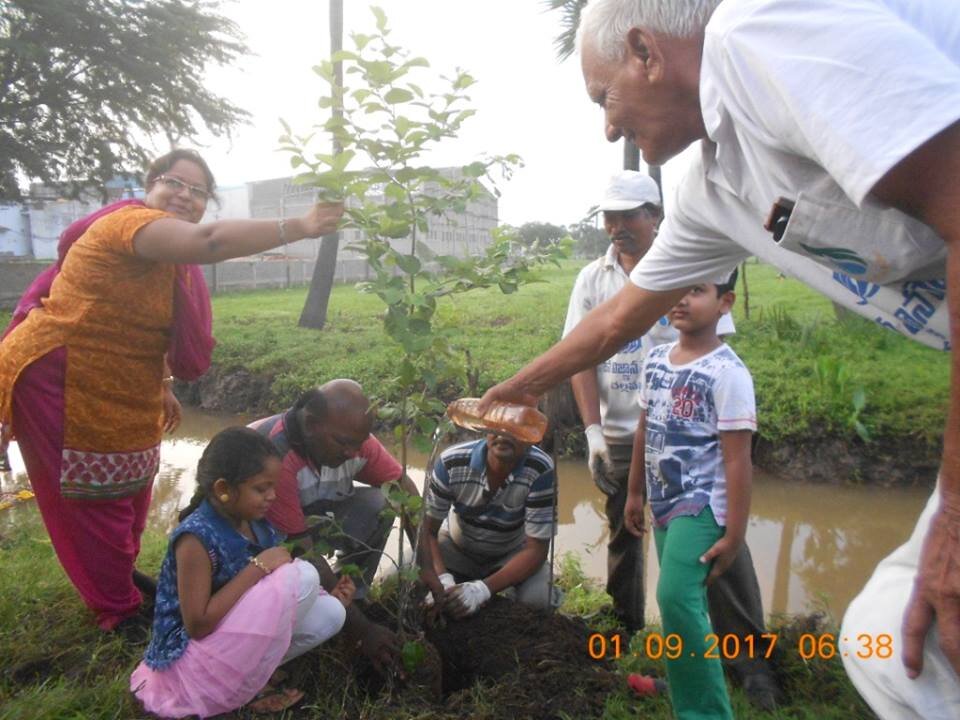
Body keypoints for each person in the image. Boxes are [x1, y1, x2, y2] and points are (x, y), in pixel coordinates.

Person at [479, 2, 960, 715]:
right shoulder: (710, 186)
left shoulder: (755, 34)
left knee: (905, 645)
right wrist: (515, 390)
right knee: (893, 654)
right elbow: (615, 320)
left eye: (604, 97)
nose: (607, 127)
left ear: (646, 52)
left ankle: (738, 673)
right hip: (656, 467)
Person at [0, 148, 342, 632]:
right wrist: (300, 226)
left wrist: (163, 384)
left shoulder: (169, 260)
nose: (184, 195)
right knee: (89, 501)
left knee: (133, 484)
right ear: (149, 187)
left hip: (123, 382)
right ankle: (116, 611)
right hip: (61, 379)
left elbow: (150, 324)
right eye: (173, 182)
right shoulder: (129, 225)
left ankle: (119, 577)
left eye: (198, 191)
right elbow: (211, 241)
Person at [565, 170, 776, 707]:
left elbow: (714, 353)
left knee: (719, 548)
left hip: (694, 442)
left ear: (654, 216)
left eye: (628, 215)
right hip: (626, 433)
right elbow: (580, 356)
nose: (616, 226)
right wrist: (592, 432)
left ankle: (750, 658)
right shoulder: (592, 279)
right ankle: (625, 630)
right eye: (609, 216)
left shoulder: (685, 269)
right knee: (625, 530)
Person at [130, 427, 352, 717]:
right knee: (304, 574)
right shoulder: (196, 538)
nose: (273, 496)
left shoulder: (257, 524)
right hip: (188, 659)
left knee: (332, 612)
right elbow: (198, 625)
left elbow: (273, 594)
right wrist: (258, 567)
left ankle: (251, 677)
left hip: (224, 641)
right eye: (261, 489)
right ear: (223, 489)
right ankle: (248, 687)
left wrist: (326, 595)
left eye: (274, 487)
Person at [624, 273, 754, 720]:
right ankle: (685, 692)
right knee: (683, 605)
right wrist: (635, 492)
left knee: (675, 597)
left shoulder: (728, 373)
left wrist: (734, 535)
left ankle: (706, 713)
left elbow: (738, 460)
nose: (682, 299)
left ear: (725, 302)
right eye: (678, 289)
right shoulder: (656, 359)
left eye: (697, 291)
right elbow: (644, 429)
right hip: (663, 501)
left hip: (701, 506)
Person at [250, 379, 419, 670]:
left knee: (380, 505)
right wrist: (363, 630)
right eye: (343, 443)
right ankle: (325, 615)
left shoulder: (353, 441)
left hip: (313, 518)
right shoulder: (275, 456)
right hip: (264, 543)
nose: (354, 453)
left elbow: (404, 490)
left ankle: (353, 596)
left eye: (359, 443)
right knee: (300, 573)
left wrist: (426, 566)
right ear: (311, 424)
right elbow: (300, 549)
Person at [419, 432, 556, 617]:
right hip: (456, 546)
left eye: (515, 427)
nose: (504, 433)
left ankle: (500, 588)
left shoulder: (542, 469)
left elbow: (536, 549)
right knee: (399, 577)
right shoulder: (451, 461)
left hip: (511, 553)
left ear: (531, 435)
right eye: (498, 423)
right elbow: (428, 531)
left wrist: (483, 589)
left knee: (539, 600)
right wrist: (442, 578)